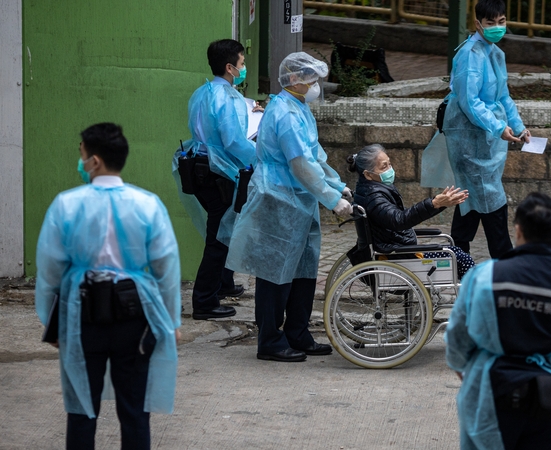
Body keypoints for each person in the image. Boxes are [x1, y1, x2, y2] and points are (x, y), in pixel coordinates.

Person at [35, 123, 181, 449]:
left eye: (82, 155)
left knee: (82, 409)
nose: (81, 161)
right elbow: (166, 268)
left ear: (95, 161)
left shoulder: (66, 204)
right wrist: (170, 321)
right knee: (134, 410)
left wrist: (51, 320)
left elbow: (50, 269)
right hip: (135, 316)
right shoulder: (148, 204)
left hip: (80, 316)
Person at [226, 52, 353, 363]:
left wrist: (337, 185)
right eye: (311, 80)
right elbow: (300, 165)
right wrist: (332, 199)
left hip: (300, 199)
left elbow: (315, 156)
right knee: (276, 271)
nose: (315, 86)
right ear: (294, 80)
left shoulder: (299, 107)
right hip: (279, 196)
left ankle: (298, 332)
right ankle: (269, 339)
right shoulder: (285, 113)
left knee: (304, 269)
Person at [444, 192, 551, 450]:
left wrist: (462, 366)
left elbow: (458, 334)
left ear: (517, 230)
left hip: (490, 391)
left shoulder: (485, 275)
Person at [442, 0, 531, 259]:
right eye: (490, 23)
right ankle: (505, 263)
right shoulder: (470, 54)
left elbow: (503, 96)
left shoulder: (494, 52)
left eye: (501, 22)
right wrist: (497, 126)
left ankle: (458, 260)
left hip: (486, 137)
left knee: (469, 202)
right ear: (477, 24)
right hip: (469, 138)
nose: (496, 27)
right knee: (489, 199)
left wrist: (518, 126)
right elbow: (469, 101)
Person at [181, 39, 260, 320]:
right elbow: (234, 141)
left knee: (226, 229)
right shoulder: (226, 98)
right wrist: (263, 154)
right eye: (242, 63)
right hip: (217, 172)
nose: (244, 67)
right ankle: (204, 301)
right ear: (230, 67)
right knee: (218, 236)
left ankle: (224, 283)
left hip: (200, 166)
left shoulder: (204, 92)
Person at [348, 144, 475, 278]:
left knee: (458, 254)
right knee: (461, 258)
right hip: (397, 255)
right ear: (368, 174)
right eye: (384, 167)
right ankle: (481, 294)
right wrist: (434, 203)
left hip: (396, 247)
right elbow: (399, 220)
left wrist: (438, 204)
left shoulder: (369, 190)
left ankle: (472, 293)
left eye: (390, 164)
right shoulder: (373, 197)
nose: (390, 170)